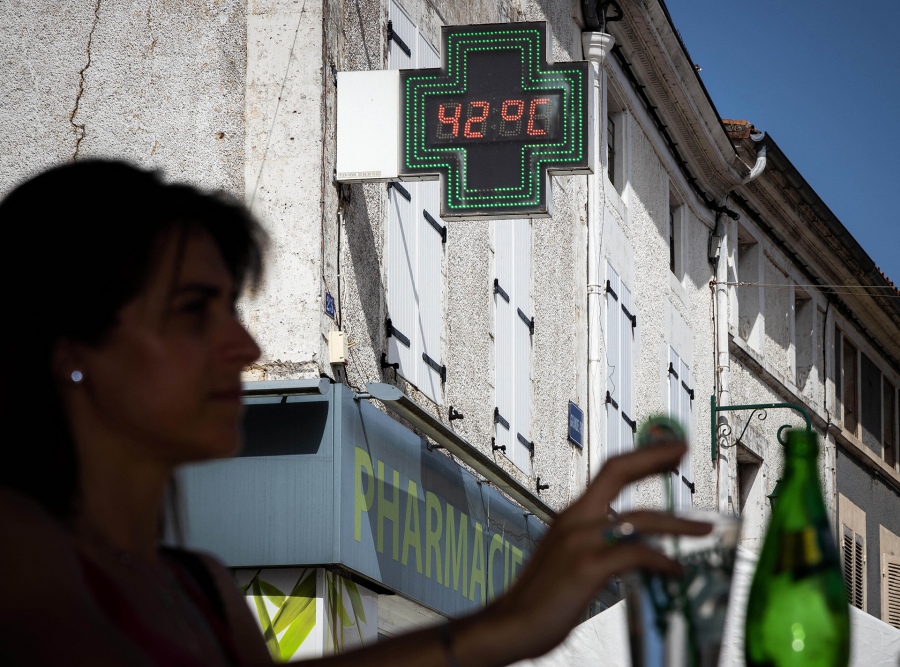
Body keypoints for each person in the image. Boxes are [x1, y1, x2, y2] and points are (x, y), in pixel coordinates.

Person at [0, 159, 710, 666]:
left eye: (233, 309)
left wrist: (512, 622)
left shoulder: (202, 587)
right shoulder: (19, 551)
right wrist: (507, 624)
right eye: (193, 312)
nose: (244, 343)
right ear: (71, 347)